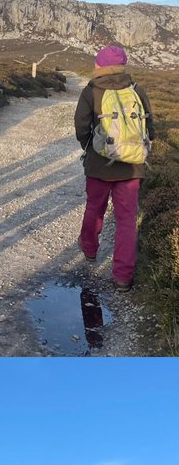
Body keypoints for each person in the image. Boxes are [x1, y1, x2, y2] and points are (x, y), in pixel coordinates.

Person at [75, 44, 155, 290]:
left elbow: (81, 127)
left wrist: (89, 148)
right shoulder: (137, 90)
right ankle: (122, 276)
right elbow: (150, 129)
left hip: (99, 165)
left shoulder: (91, 91)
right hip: (132, 167)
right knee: (127, 221)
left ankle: (89, 249)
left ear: (99, 65)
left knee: (94, 208)